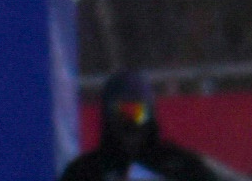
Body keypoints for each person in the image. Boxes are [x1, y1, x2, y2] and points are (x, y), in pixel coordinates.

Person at [63, 71, 237, 181]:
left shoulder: (178, 165)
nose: (129, 123)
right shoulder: (86, 171)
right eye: (121, 114)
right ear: (108, 117)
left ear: (149, 114)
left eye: (137, 113)